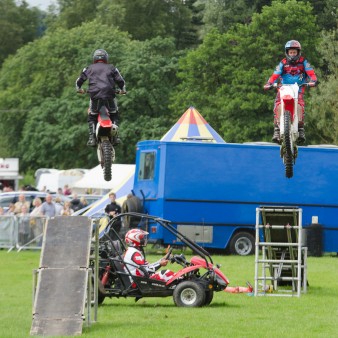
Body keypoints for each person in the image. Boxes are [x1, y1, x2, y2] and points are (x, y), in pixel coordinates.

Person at [264, 40, 317, 144]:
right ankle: (277, 129)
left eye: (294, 52)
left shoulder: (304, 62)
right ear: (287, 53)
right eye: (290, 52)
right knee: (277, 103)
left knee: (300, 104)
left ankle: (300, 128)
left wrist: (314, 80)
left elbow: (311, 72)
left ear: (298, 52)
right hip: (284, 88)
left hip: (299, 88)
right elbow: (275, 74)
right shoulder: (283, 63)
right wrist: (269, 83)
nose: (292, 55)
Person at [76, 49, 126, 147]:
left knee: (92, 116)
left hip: (95, 96)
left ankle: (92, 138)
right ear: (106, 58)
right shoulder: (112, 68)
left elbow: (79, 80)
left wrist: (79, 89)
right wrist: (123, 90)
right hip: (109, 95)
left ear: (94, 58)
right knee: (114, 114)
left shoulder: (89, 68)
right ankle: (116, 137)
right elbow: (120, 81)